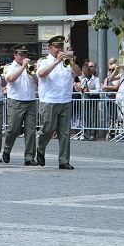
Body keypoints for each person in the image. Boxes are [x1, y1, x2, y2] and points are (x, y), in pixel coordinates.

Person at [36, 35, 81, 169]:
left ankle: (63, 160)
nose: (59, 50)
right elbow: (41, 74)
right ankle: (40, 148)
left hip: (65, 100)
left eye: (61, 47)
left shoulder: (67, 62)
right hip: (50, 100)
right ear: (50, 48)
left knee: (65, 132)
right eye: (56, 47)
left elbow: (78, 73)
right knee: (48, 129)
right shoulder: (44, 61)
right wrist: (56, 62)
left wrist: (71, 62)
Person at [1, 45, 38, 165]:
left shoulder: (30, 67)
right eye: (21, 55)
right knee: (13, 129)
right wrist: (22, 67)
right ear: (15, 55)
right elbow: (10, 79)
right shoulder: (9, 67)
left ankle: (29, 158)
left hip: (30, 100)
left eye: (25, 55)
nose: (23, 57)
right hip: (16, 100)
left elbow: (38, 81)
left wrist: (32, 72)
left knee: (31, 131)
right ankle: (7, 150)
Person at [77, 61, 101, 140]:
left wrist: (90, 91)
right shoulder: (83, 80)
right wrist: (82, 90)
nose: (84, 74)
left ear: (90, 71)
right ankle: (86, 133)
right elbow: (81, 89)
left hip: (93, 100)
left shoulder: (96, 79)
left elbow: (99, 90)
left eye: (85, 72)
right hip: (86, 100)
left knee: (93, 116)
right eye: (83, 72)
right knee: (86, 116)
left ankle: (93, 134)